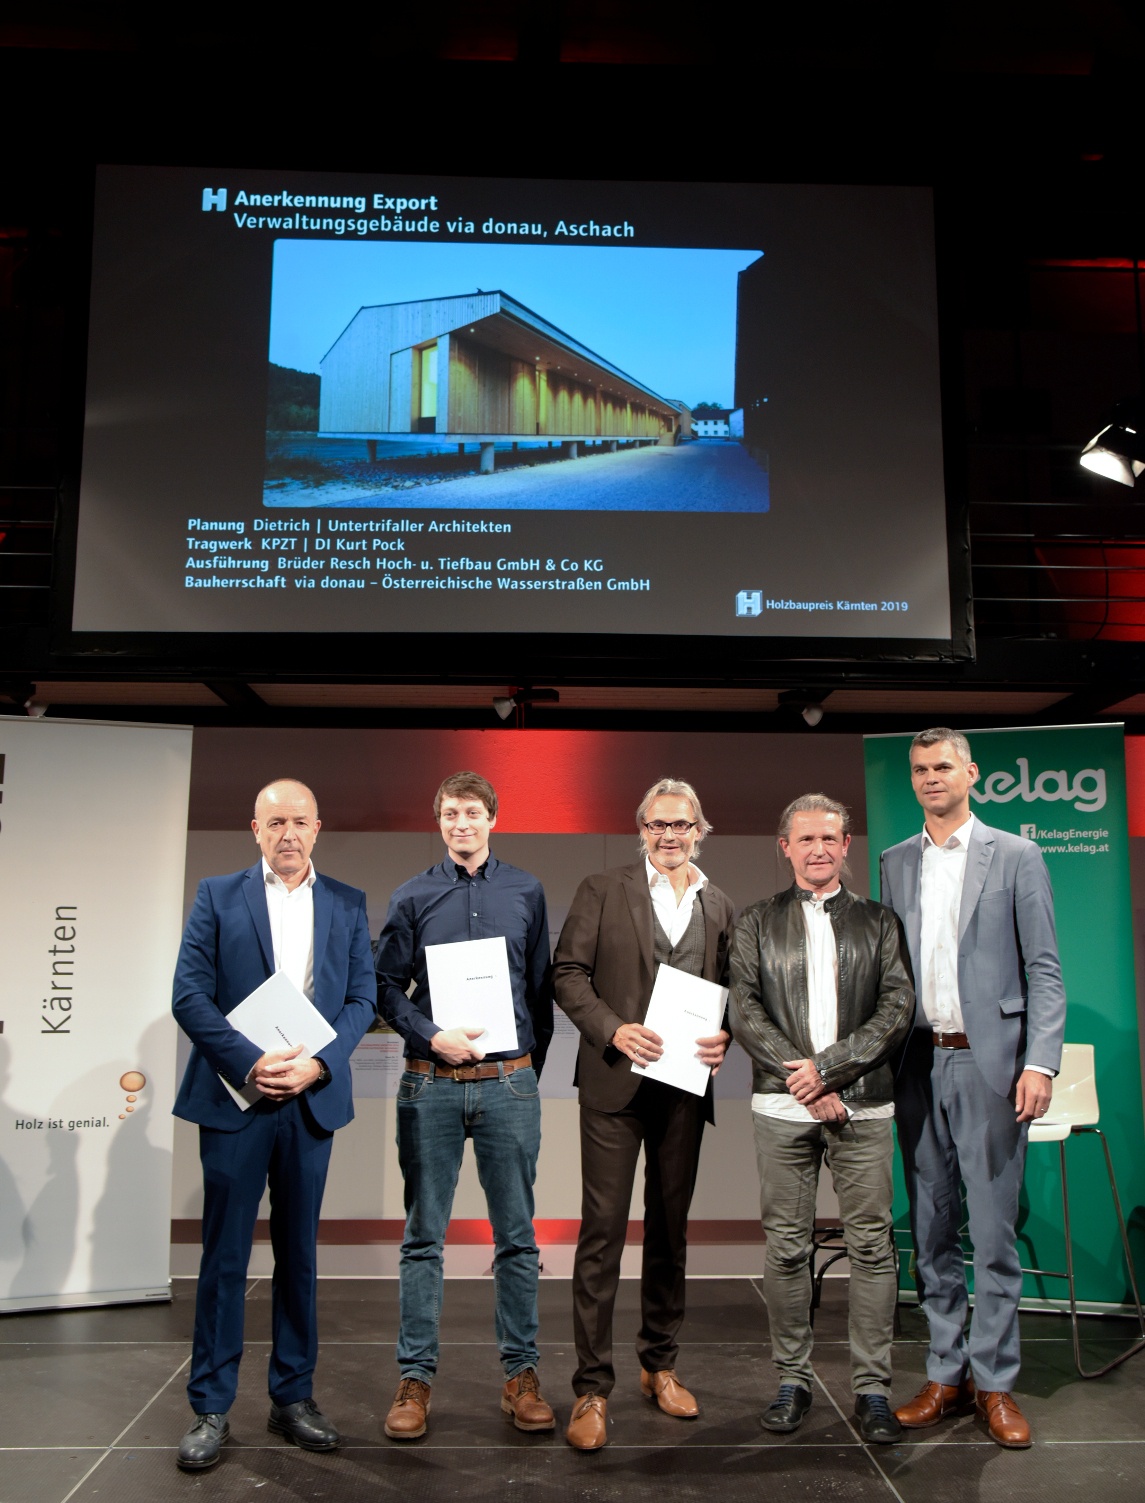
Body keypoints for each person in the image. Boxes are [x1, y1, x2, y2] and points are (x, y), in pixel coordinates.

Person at [172, 779, 376, 1470]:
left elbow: (361, 997)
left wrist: (318, 1065)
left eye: (299, 821)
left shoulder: (346, 901)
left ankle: (292, 1395)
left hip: (309, 1100)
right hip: (237, 1097)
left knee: (299, 1254)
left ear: (318, 828)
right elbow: (188, 995)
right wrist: (249, 1061)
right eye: (275, 821)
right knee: (224, 1257)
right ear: (254, 828)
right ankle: (210, 1405)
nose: (288, 832)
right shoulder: (216, 895)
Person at [880, 728, 1066, 1449]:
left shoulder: (1015, 855)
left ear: (971, 773)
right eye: (919, 769)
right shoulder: (895, 860)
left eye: (942, 766)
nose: (930, 777)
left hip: (990, 1065)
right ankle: (944, 1373)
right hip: (915, 1065)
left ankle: (994, 1381)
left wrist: (1039, 1062)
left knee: (990, 1233)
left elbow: (1043, 968)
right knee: (929, 1231)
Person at [553, 777, 734, 1451]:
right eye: (657, 824)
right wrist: (613, 1028)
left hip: (683, 1087)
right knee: (601, 1234)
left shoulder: (720, 904)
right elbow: (567, 972)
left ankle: (659, 1364)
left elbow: (735, 991)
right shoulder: (602, 889)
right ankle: (591, 1387)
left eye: (680, 824)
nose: (668, 835)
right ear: (641, 830)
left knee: (669, 1231)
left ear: (699, 830)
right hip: (614, 1084)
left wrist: (727, 1035)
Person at [374, 771, 554, 1439]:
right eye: (451, 813)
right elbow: (383, 988)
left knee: (518, 1237)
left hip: (509, 1084)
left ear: (492, 819)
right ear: (440, 821)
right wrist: (430, 1035)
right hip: (431, 1084)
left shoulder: (526, 890)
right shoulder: (411, 895)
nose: (462, 824)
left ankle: (521, 1376)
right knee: (424, 1237)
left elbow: (539, 991)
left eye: (472, 813)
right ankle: (415, 1380)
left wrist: (525, 1071)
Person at [730, 794, 914, 1444]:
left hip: (863, 1103)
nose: (817, 849)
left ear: (845, 846)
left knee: (871, 1246)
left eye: (828, 838)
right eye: (805, 838)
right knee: (786, 1247)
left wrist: (830, 1071)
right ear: (784, 846)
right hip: (782, 1106)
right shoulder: (755, 921)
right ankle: (792, 1379)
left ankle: (873, 1390)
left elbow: (897, 1006)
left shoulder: (879, 921)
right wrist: (806, 1082)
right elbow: (743, 1009)